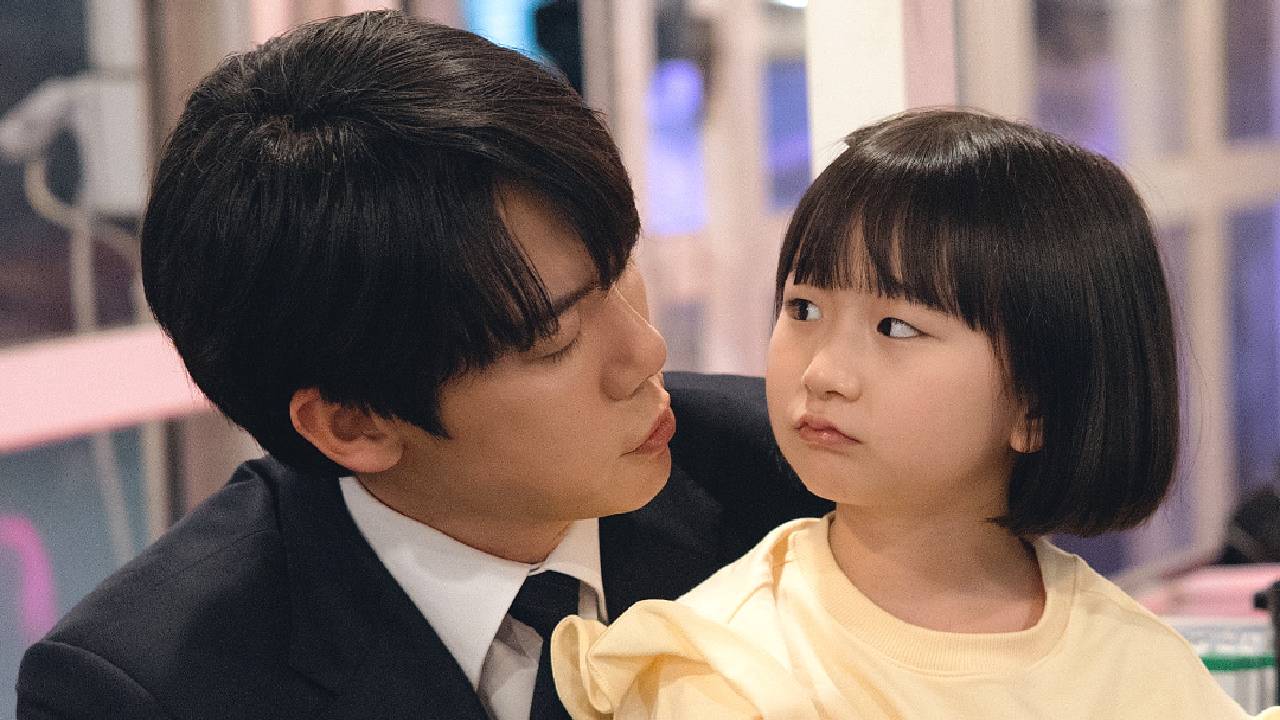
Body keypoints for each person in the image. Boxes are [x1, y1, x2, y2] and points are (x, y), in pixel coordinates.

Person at [14, 11, 828, 720]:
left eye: (619, 269)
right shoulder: (150, 687)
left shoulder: (805, 480)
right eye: (554, 339)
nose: (646, 353)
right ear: (354, 424)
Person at [551, 109, 1280, 719]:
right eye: (803, 309)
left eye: (895, 327)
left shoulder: (1137, 664)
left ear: (1036, 404)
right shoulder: (725, 664)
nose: (823, 372)